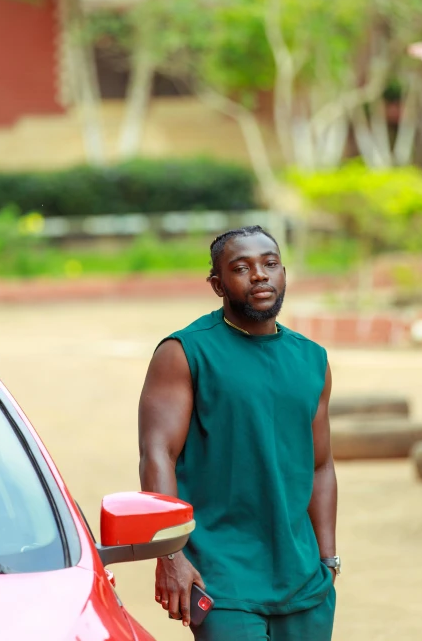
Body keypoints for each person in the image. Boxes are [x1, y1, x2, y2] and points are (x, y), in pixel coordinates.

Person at [138, 226, 338, 641]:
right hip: (220, 578)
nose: (260, 275)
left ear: (284, 271)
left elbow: (320, 464)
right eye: (241, 268)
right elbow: (159, 455)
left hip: (304, 581)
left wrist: (327, 559)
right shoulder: (183, 352)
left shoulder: (312, 359)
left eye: (270, 264)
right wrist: (170, 555)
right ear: (217, 285)